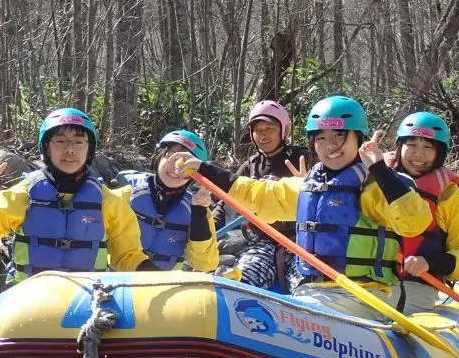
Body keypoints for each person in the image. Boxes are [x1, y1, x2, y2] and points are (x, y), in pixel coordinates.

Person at [171, 95, 433, 321]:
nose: (330, 146)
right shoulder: (307, 185)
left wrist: (379, 169)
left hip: (361, 296)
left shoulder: (375, 185)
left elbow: (413, 223)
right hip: (311, 292)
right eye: (321, 137)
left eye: (340, 135)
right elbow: (257, 195)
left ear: (358, 138)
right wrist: (202, 167)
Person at [0, 107, 154, 285]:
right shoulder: (23, 194)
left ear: (89, 148)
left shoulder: (107, 201)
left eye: (78, 142)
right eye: (61, 141)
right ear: (47, 147)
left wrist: (161, 279)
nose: (70, 150)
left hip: (85, 297)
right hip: (30, 298)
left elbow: (128, 256)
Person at [211, 100, 314, 291]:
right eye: (258, 130)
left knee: (309, 288)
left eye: (270, 128)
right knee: (239, 286)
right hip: (262, 243)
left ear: (284, 131)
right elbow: (226, 205)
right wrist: (208, 233)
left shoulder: (305, 158)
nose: (263, 134)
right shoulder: (250, 166)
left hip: (301, 243)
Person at [385, 112, 459, 314]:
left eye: (428, 147)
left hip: (417, 287)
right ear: (399, 147)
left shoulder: (452, 198)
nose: (418, 154)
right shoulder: (375, 179)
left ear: (440, 153)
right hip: (368, 282)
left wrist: (429, 263)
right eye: (411, 145)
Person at [113, 130, 219, 272]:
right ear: (159, 157)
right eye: (172, 157)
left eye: (187, 164)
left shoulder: (195, 209)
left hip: (163, 286)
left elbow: (205, 263)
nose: (177, 168)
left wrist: (199, 211)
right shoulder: (126, 195)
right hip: (117, 283)